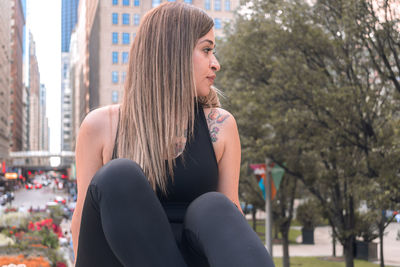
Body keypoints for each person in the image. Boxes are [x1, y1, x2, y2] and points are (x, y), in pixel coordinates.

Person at [71, 2, 275, 267]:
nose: (216, 64)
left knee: (214, 206)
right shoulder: (100, 125)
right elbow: (82, 222)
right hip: (116, 258)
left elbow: (230, 217)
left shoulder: (220, 126)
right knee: (118, 175)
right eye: (206, 50)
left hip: (190, 254)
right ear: (173, 53)